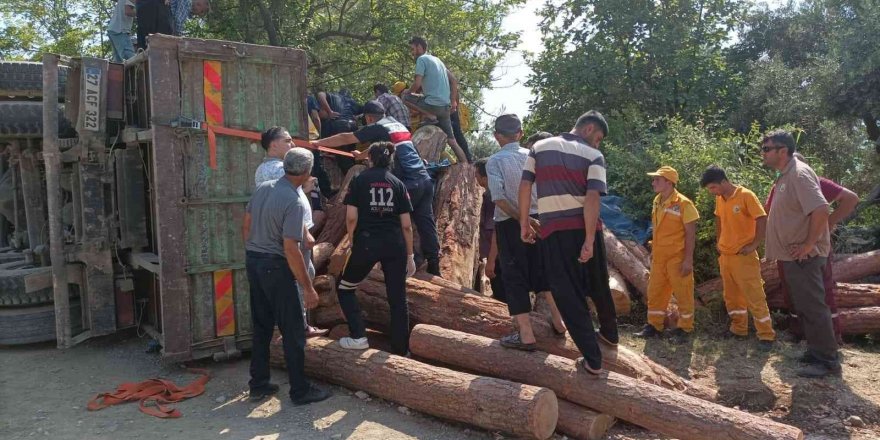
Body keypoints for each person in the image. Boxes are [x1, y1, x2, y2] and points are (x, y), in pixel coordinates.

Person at [519, 110, 616, 375]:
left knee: (567, 293)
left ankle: (593, 360)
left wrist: (524, 223)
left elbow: (525, 186)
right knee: (598, 283)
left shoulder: (539, 147)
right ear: (588, 130)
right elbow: (593, 197)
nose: (597, 144)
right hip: (587, 228)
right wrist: (588, 238)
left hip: (554, 232)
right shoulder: (594, 156)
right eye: (597, 138)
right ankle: (610, 334)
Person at [242, 147, 331, 405]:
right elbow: (290, 248)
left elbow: (246, 225)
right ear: (307, 171)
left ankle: (258, 384)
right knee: (293, 331)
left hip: (254, 262)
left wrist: (254, 252)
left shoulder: (264, 188)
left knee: (261, 327)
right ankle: (300, 390)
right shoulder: (293, 200)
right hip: (276, 268)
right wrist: (308, 288)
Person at [313, 100, 442, 276]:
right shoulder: (397, 125)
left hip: (407, 184)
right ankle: (433, 264)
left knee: (390, 221)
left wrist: (318, 143)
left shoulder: (377, 126)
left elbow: (346, 137)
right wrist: (363, 154)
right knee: (426, 222)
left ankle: (393, 263)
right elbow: (387, 146)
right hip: (425, 181)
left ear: (369, 117)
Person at [762, 131, 841, 377]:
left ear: (782, 150)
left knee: (814, 306)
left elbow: (820, 209)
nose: (762, 153)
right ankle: (815, 350)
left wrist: (808, 244)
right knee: (804, 306)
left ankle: (827, 360)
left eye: (767, 148)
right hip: (792, 257)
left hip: (804, 256)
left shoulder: (799, 173)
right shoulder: (786, 175)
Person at [487, 114, 566, 350]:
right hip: (539, 219)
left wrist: (522, 219)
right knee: (543, 272)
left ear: (496, 136)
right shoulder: (533, 157)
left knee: (514, 276)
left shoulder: (495, 161)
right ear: (520, 134)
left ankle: (526, 334)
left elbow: (499, 199)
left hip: (511, 223)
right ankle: (560, 322)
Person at [766, 153, 858, 343]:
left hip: (810, 250)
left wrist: (828, 222)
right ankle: (799, 331)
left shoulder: (810, 180)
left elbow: (850, 198)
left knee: (821, 292)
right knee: (792, 290)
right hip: (787, 250)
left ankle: (831, 338)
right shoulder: (780, 185)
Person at [335, 142, 417, 355]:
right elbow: (406, 225)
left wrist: (352, 241)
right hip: (395, 245)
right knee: (397, 298)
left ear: (369, 159)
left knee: (345, 288)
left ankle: (359, 336)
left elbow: (351, 217)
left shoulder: (359, 180)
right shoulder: (398, 184)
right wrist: (410, 256)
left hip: (367, 243)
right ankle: (401, 350)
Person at [254, 127, 329, 338]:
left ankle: (295, 325)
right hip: (291, 234)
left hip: (279, 234)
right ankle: (300, 327)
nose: (292, 144)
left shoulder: (263, 168)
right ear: (273, 144)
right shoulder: (279, 169)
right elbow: (287, 206)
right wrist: (305, 232)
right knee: (301, 276)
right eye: (287, 141)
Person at [700, 165, 775, 349]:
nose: (712, 192)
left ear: (724, 182)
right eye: (710, 189)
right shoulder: (720, 198)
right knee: (732, 296)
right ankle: (738, 329)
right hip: (726, 256)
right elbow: (718, 217)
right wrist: (719, 240)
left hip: (744, 256)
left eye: (713, 188)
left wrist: (754, 244)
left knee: (754, 295)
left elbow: (762, 218)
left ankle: (766, 335)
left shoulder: (746, 195)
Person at [635, 166, 698, 344]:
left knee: (683, 293)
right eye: (654, 179)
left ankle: (685, 329)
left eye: (657, 180)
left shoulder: (684, 204)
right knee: (655, 292)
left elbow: (690, 234)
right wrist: (654, 252)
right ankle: (654, 326)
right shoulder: (657, 200)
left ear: (669, 182)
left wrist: (688, 260)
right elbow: (658, 230)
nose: (653, 182)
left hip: (677, 258)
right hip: (660, 257)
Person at [402, 36, 470, 163]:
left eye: (413, 49)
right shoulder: (438, 60)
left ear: (419, 47)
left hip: (432, 106)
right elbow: (454, 80)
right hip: (445, 107)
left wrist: (408, 91)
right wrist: (453, 101)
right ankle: (467, 167)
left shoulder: (421, 60)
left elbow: (417, 84)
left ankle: (429, 115)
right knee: (453, 141)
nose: (412, 53)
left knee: (404, 97)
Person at [474, 159, 506, 302]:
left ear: (485, 178)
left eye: (477, 175)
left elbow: (496, 230)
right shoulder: (495, 193)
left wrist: (491, 260)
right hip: (499, 253)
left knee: (502, 292)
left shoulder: (491, 197)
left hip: (499, 255)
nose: (475, 178)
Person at [317, 90, 361, 173]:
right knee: (351, 154)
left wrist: (330, 112)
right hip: (353, 128)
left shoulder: (334, 96)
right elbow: (366, 111)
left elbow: (320, 94)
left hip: (339, 126)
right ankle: (352, 175)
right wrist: (356, 118)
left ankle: (350, 178)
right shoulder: (352, 102)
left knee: (343, 156)